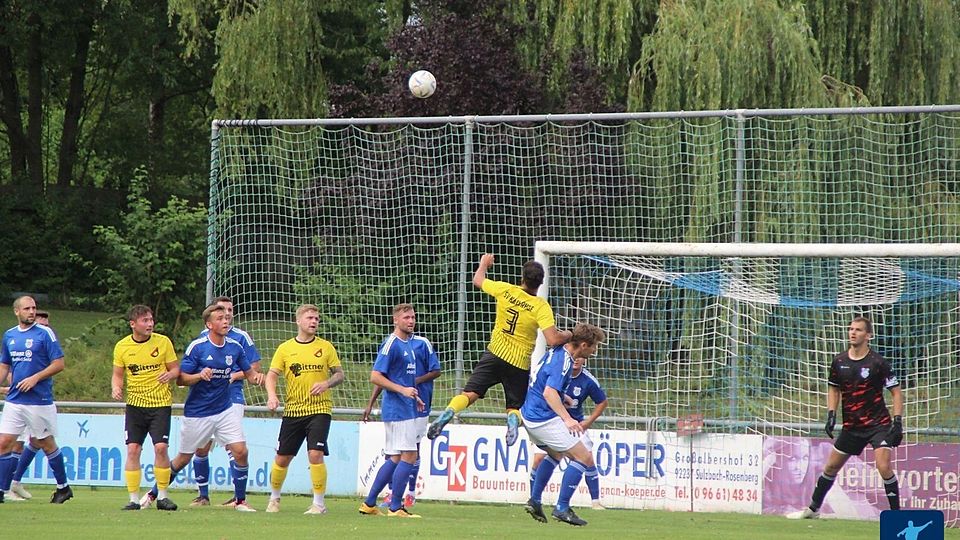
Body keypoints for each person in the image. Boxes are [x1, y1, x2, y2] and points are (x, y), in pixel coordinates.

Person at [428, 254, 570, 446]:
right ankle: (511, 421)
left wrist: (483, 264)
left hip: (494, 353)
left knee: (469, 394)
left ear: (522, 278)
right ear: (541, 282)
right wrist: (568, 334)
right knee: (514, 406)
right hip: (518, 362)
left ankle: (450, 411)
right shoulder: (540, 307)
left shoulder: (505, 290)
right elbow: (553, 339)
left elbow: (478, 280)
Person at [140, 303, 263, 512]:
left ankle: (240, 501)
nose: (225, 321)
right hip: (198, 413)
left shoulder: (235, 346)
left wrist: (256, 378)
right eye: (220, 318)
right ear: (209, 324)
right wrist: (199, 375)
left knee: (241, 451)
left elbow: (250, 373)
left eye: (227, 318)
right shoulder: (197, 347)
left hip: (225, 409)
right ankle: (152, 494)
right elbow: (180, 379)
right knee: (183, 459)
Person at [787, 316, 903, 520]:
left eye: (858, 330)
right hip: (852, 426)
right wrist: (831, 413)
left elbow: (896, 392)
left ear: (868, 335)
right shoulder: (839, 362)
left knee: (883, 466)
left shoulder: (878, 363)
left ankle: (896, 516)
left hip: (878, 424)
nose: (853, 332)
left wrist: (898, 421)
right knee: (831, 466)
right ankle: (812, 510)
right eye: (851, 329)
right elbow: (833, 388)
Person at [359, 303, 441, 518]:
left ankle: (369, 504)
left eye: (413, 317)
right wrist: (402, 390)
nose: (411, 321)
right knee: (410, 454)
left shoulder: (409, 345)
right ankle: (395, 507)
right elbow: (376, 376)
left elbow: (403, 379)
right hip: (398, 410)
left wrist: (414, 396)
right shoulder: (392, 344)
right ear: (396, 320)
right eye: (406, 317)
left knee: (395, 457)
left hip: (407, 407)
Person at [522, 323, 605, 526]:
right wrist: (567, 419)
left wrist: (564, 396)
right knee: (583, 456)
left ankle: (535, 500)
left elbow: (545, 381)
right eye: (594, 346)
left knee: (556, 454)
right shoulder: (565, 362)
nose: (594, 351)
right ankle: (561, 508)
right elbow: (548, 393)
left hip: (530, 414)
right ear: (584, 345)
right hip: (543, 417)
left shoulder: (558, 349)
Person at [264, 304, 345, 514]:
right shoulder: (285, 348)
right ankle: (274, 499)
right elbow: (272, 375)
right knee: (282, 458)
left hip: (320, 409)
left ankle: (319, 504)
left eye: (317, 319)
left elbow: (339, 374)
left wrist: (326, 384)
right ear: (298, 321)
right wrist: (272, 396)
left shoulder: (326, 347)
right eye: (310, 318)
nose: (314, 322)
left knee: (315, 454)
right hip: (293, 410)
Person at [0, 296, 73, 504]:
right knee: (4, 442)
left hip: (38, 400)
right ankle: (2, 489)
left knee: (45, 443)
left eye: (34, 308)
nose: (32, 312)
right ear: (17, 312)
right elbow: (5, 364)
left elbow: (59, 363)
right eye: (27, 308)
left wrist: (35, 378)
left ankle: (63, 487)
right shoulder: (10, 335)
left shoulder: (44, 333)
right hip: (15, 400)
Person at [190, 296, 261, 507]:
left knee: (235, 447)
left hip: (232, 397)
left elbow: (255, 367)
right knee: (201, 447)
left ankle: (238, 498)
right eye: (222, 310)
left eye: (230, 310)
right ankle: (203, 496)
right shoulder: (203, 339)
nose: (227, 314)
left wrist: (233, 375)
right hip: (207, 399)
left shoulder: (241, 337)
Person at [111, 305, 180, 511]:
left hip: (160, 405)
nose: (150, 324)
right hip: (135, 406)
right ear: (133, 324)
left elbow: (176, 368)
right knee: (133, 450)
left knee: (161, 448)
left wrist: (170, 374)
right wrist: (116, 387)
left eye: (151, 320)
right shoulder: (122, 347)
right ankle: (133, 499)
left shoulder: (163, 342)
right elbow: (117, 373)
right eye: (145, 321)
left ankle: (163, 497)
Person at [529, 354, 608, 510]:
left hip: (574, 426)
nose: (577, 359)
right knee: (540, 458)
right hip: (549, 422)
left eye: (581, 357)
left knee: (588, 458)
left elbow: (602, 402)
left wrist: (588, 422)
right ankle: (535, 499)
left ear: (586, 358)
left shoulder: (588, 380)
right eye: (575, 356)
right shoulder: (557, 371)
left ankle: (595, 502)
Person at [1, 309, 52, 501]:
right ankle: (6, 488)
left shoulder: (44, 343)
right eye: (42, 324)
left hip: (39, 399)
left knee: (36, 441)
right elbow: (9, 371)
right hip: (20, 402)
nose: (46, 329)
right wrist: (7, 389)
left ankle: (14, 481)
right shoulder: (17, 340)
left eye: (48, 325)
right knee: (15, 443)